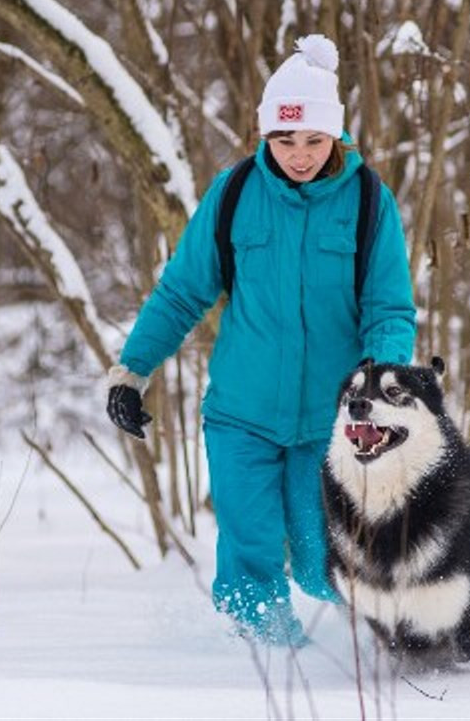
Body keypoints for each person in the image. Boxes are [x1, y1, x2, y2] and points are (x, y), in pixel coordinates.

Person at [105, 34, 416, 647]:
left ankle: (394, 636)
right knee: (248, 550)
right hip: (240, 416)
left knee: (321, 560)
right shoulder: (235, 194)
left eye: (312, 140)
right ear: (264, 135)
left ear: (336, 136)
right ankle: (268, 669)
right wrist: (131, 371)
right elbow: (181, 292)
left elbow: (389, 308)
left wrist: (380, 387)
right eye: (283, 139)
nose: (298, 155)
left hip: (329, 423)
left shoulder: (369, 204)